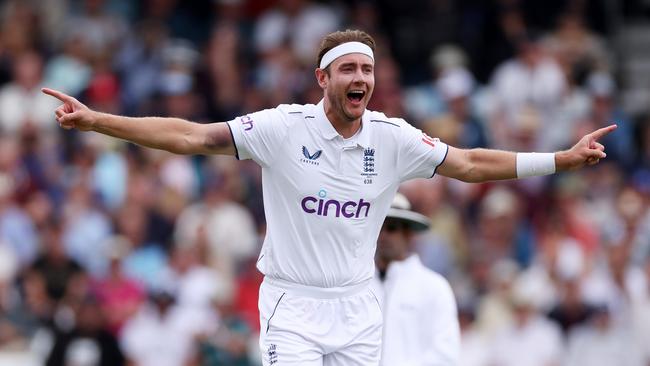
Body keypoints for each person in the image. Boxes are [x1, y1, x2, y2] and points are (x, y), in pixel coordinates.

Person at [43, 29, 615, 366]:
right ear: (324, 80)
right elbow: (191, 135)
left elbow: (468, 164)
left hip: (358, 305)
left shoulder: (392, 137)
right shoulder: (281, 128)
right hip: (292, 305)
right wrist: (99, 122)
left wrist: (560, 159)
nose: (359, 77)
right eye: (348, 68)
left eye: (367, 68)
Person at [372, 192, 460, 365]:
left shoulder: (434, 287)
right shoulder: (356, 283)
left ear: (408, 234)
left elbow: (446, 353)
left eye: (391, 228)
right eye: (378, 227)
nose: (383, 235)